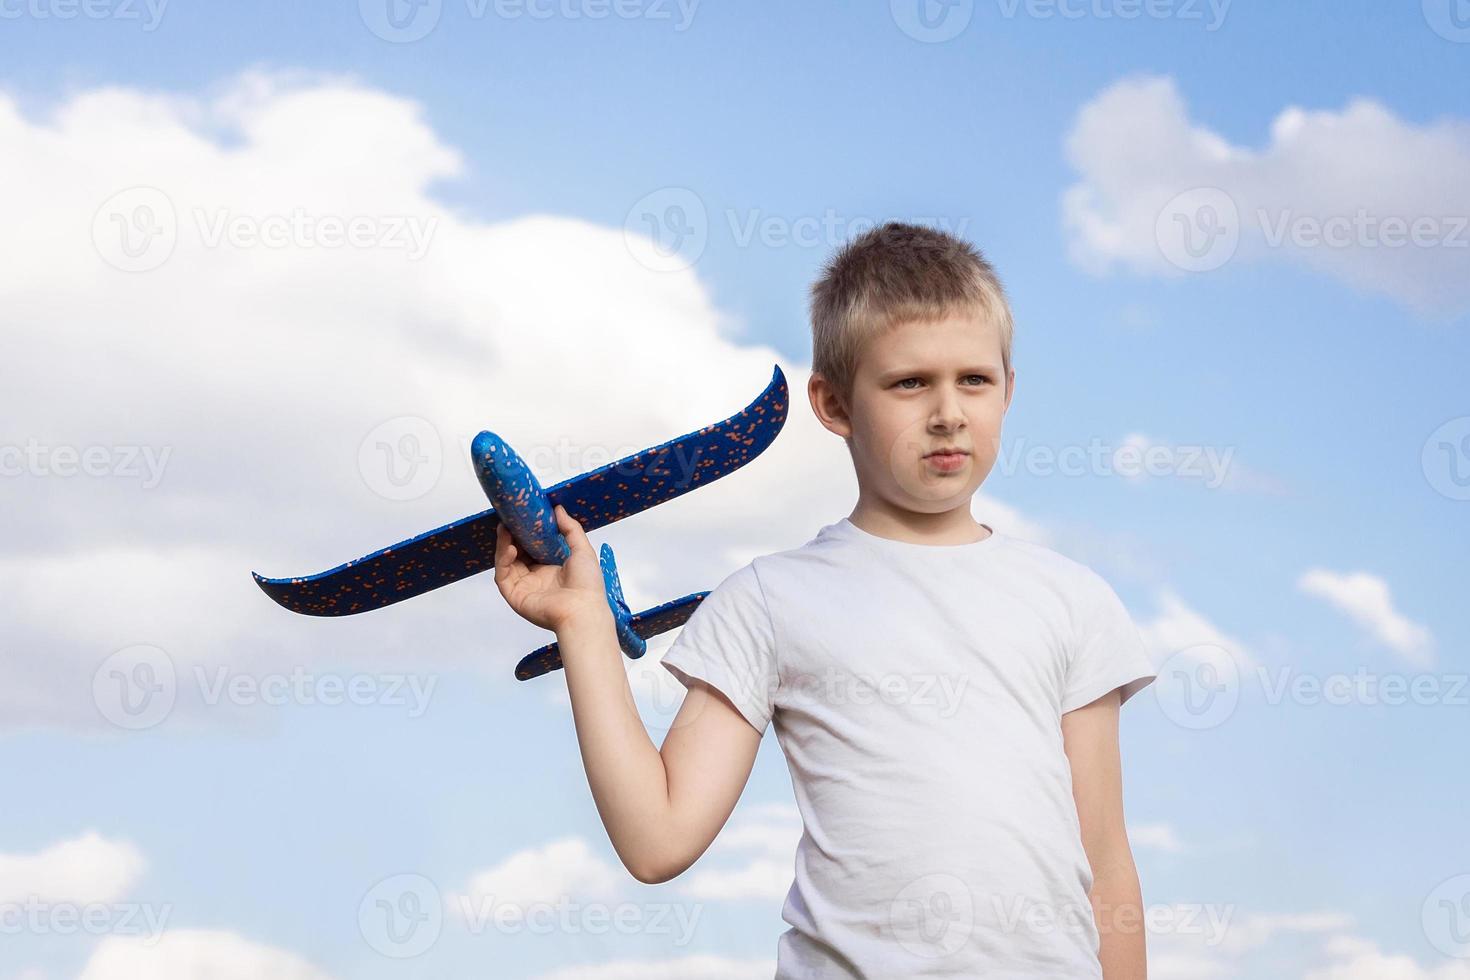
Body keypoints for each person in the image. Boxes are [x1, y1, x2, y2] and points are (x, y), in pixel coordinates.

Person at [493, 221, 1157, 978]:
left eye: (974, 379)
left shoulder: (1071, 600)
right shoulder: (769, 601)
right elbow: (656, 840)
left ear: (1009, 389)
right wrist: (582, 624)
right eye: (910, 382)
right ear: (834, 403)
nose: (949, 412)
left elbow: (1105, 861)